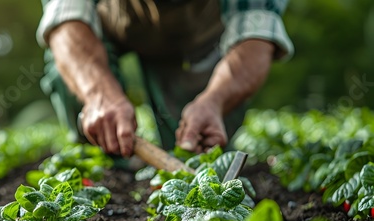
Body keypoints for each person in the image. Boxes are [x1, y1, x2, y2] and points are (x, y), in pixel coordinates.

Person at [36, 0, 293, 158]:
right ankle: (108, 172)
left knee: (196, 144)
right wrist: (98, 94)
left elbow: (256, 37)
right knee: (71, 78)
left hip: (197, 36)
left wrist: (214, 100)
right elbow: (65, 20)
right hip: (108, 21)